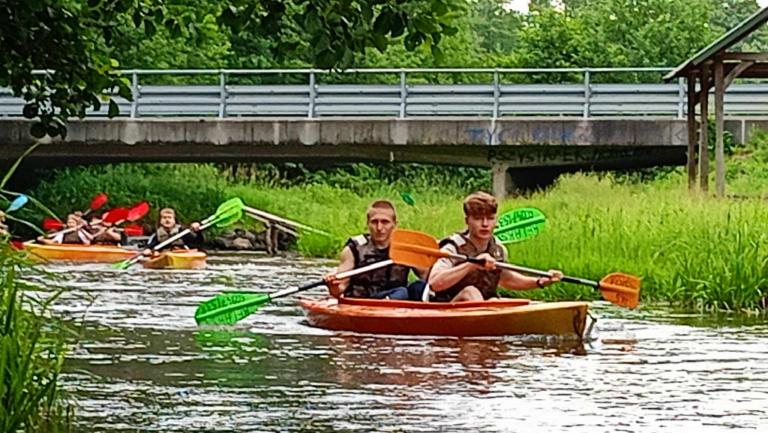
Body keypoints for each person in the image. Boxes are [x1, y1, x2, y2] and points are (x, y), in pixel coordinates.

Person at [427, 191, 563, 302]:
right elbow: (435, 283)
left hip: (484, 306)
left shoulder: (498, 249)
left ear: (496, 221)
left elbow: (506, 279)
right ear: (467, 221)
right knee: (471, 292)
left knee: (495, 301)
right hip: (450, 306)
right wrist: (471, 264)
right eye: (478, 218)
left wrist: (539, 282)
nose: (485, 224)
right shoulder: (453, 247)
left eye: (490, 218)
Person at [324, 200, 427, 301]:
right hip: (361, 302)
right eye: (374, 222)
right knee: (402, 292)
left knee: (419, 286)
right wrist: (333, 286)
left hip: (397, 302)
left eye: (385, 222)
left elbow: (428, 277)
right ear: (368, 223)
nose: (379, 227)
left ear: (394, 224)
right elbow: (339, 289)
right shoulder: (353, 249)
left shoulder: (406, 248)